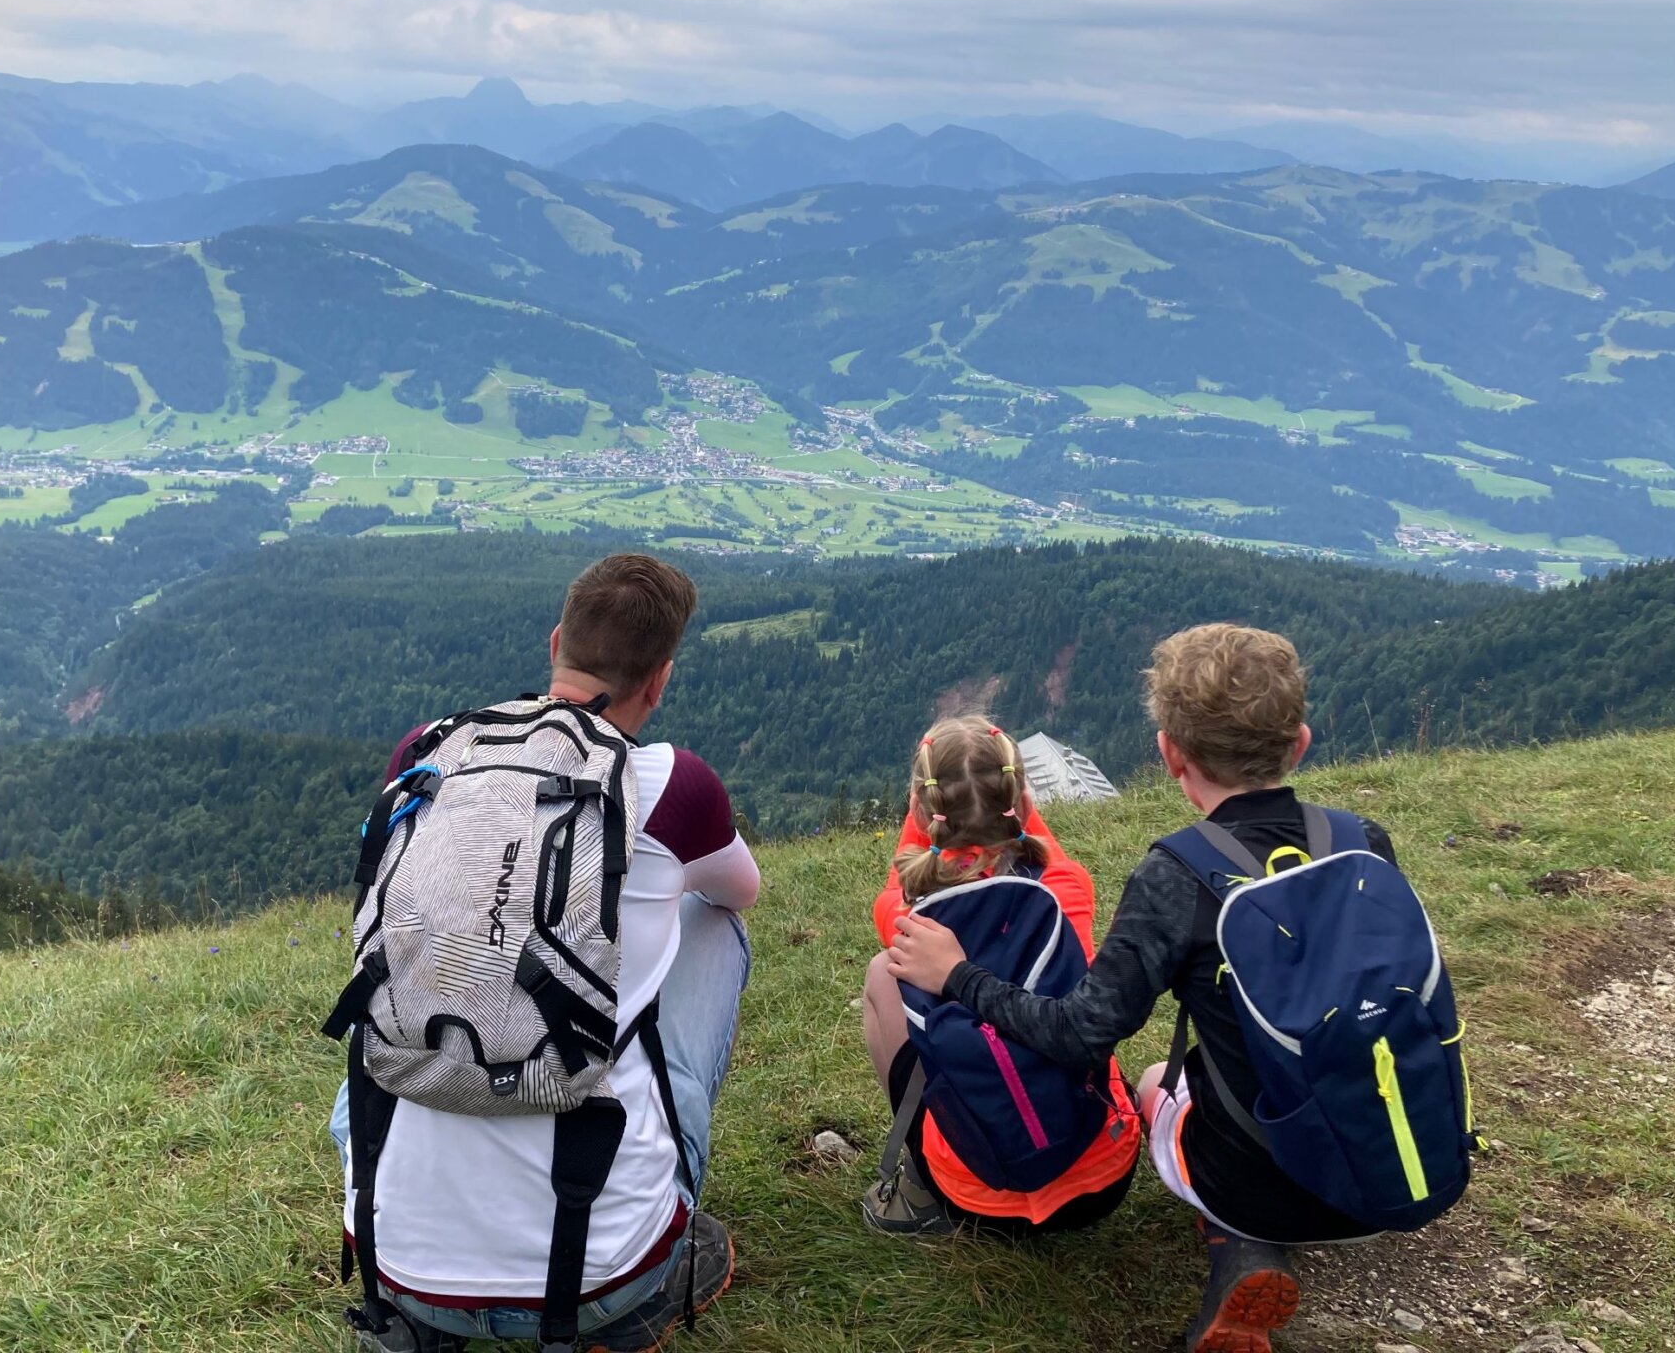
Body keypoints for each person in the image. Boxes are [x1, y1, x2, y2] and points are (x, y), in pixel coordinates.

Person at [887, 625, 1409, 1353]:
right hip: (1388, 1164)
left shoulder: (1177, 879)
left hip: (1259, 1180)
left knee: (1160, 1078)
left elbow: (1081, 1031)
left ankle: (1243, 1246)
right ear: (1301, 741)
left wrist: (962, 976)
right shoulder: (1365, 843)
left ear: (1170, 755)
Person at [330, 553, 761, 1353]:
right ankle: (645, 1276)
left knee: (403, 977)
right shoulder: (674, 787)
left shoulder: (424, 756)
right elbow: (741, 892)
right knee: (712, 925)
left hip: (395, 1267)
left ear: (555, 640)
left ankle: (430, 1300)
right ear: (660, 682)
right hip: (598, 1280)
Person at [860, 714, 1140, 1235]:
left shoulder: (909, 913)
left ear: (923, 811)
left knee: (885, 972)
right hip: (1103, 1177)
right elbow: (1036, 853)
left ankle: (922, 1184)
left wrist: (929, 816)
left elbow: (898, 882)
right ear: (1023, 800)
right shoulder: (1066, 887)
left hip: (975, 1195)